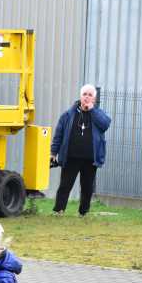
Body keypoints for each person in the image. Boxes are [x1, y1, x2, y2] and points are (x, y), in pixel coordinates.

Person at [49, 84, 112, 216]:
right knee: (65, 185)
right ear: (80, 97)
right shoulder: (69, 114)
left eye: (90, 95)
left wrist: (92, 110)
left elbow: (105, 125)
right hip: (71, 157)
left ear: (94, 98)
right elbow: (58, 135)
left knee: (87, 187)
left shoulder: (98, 113)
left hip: (90, 159)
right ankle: (58, 210)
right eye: (84, 94)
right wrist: (53, 153)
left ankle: (83, 212)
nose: (87, 97)